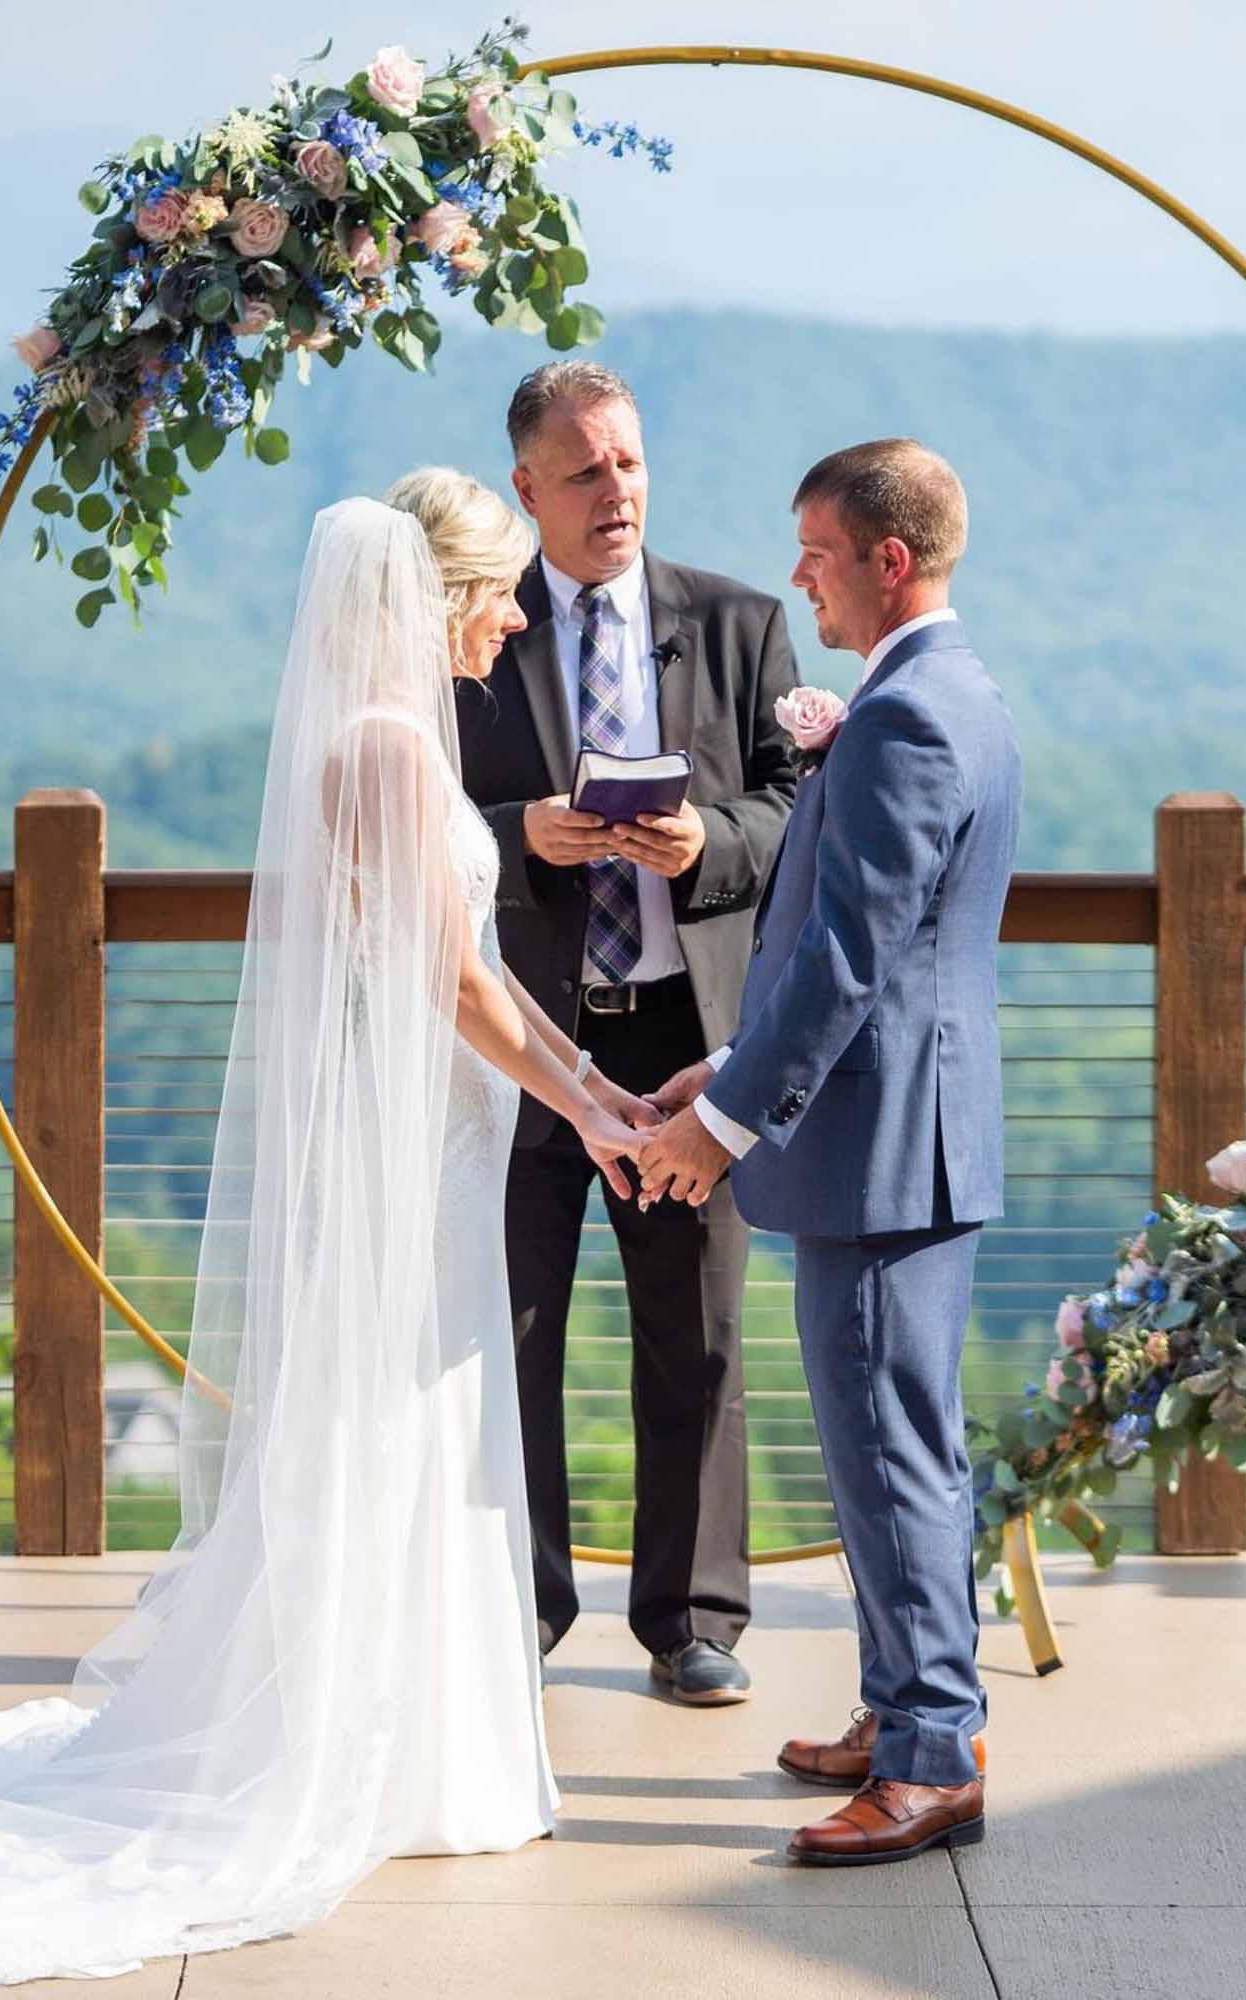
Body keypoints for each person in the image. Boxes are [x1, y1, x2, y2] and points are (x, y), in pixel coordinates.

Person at [0, 486, 649, 1985]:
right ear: (432, 595)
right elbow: (456, 986)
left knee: (429, 1423)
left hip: (441, 1139)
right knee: (395, 1426)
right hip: (417, 1157)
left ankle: (423, 1740)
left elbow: (468, 983)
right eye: (497, 594)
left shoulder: (390, 740)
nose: (513, 620)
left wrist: (593, 1097)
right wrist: (592, 1107)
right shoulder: (382, 749)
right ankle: (369, 1750)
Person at [639, 440, 1022, 1864]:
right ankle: (901, 1705)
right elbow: (863, 944)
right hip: (893, 1131)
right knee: (886, 1440)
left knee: (889, 1448)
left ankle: (931, 1755)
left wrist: (718, 1126)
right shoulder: (936, 693)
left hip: (884, 1150)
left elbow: (851, 956)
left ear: (887, 559)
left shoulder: (912, 717)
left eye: (814, 550)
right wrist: (727, 1062)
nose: (797, 574)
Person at [455, 362, 798, 1704]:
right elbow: (404, 811)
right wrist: (517, 838)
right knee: (510, 1326)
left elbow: (791, 812)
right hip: (520, 1036)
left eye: (632, 463)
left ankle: (693, 1620)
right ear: (527, 487)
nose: (617, 491)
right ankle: (515, 1608)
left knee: (698, 1337)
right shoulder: (476, 628)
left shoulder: (736, 621)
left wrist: (705, 839)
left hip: (685, 1033)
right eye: (586, 469)